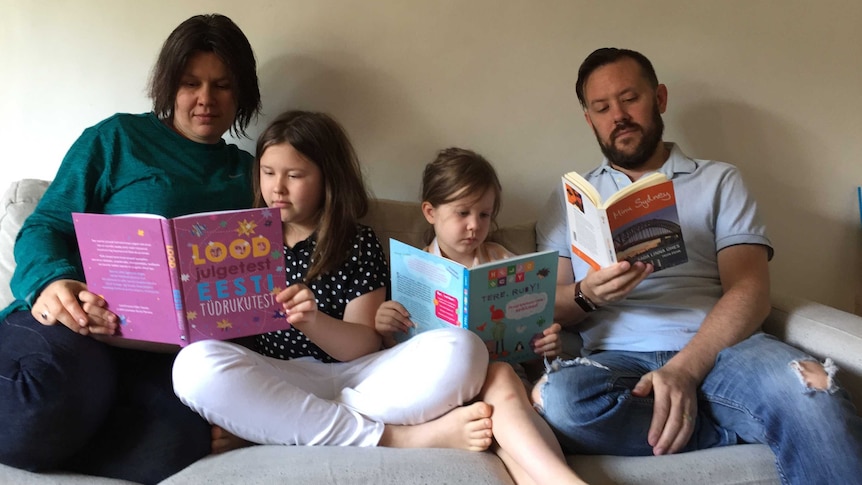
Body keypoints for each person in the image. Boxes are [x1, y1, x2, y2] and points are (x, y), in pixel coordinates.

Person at [533, 47, 862, 484]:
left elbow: (751, 290)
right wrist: (587, 294)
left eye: (630, 99)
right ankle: (729, 430)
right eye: (602, 107)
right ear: (589, 118)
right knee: (561, 401)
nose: (619, 115)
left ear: (660, 98)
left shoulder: (719, 180)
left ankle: (715, 407)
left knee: (813, 390)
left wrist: (685, 370)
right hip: (617, 361)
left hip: (725, 351)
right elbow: (550, 305)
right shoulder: (572, 199)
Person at [0, 13, 262, 484]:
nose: (206, 99)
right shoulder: (118, 138)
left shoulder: (250, 174)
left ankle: (76, 421)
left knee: (180, 442)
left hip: (164, 358)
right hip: (84, 326)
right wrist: (51, 282)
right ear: (168, 86)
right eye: (190, 83)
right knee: (36, 407)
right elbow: (46, 224)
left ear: (242, 92)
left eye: (223, 85)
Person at [172, 111, 499, 458]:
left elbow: (362, 346)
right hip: (282, 377)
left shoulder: (357, 242)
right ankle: (395, 437)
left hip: (361, 379)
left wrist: (313, 321)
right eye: (268, 173)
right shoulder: (239, 240)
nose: (277, 187)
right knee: (193, 365)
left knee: (466, 349)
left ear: (327, 178)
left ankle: (282, 426)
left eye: (294, 175)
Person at [375, 147, 588, 485]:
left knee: (508, 433)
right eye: (463, 213)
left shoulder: (506, 264)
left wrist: (544, 345)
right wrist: (385, 328)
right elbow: (394, 356)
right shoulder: (410, 270)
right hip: (442, 395)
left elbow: (531, 358)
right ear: (430, 212)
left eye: (485, 215)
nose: (475, 226)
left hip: (499, 397)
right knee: (500, 376)